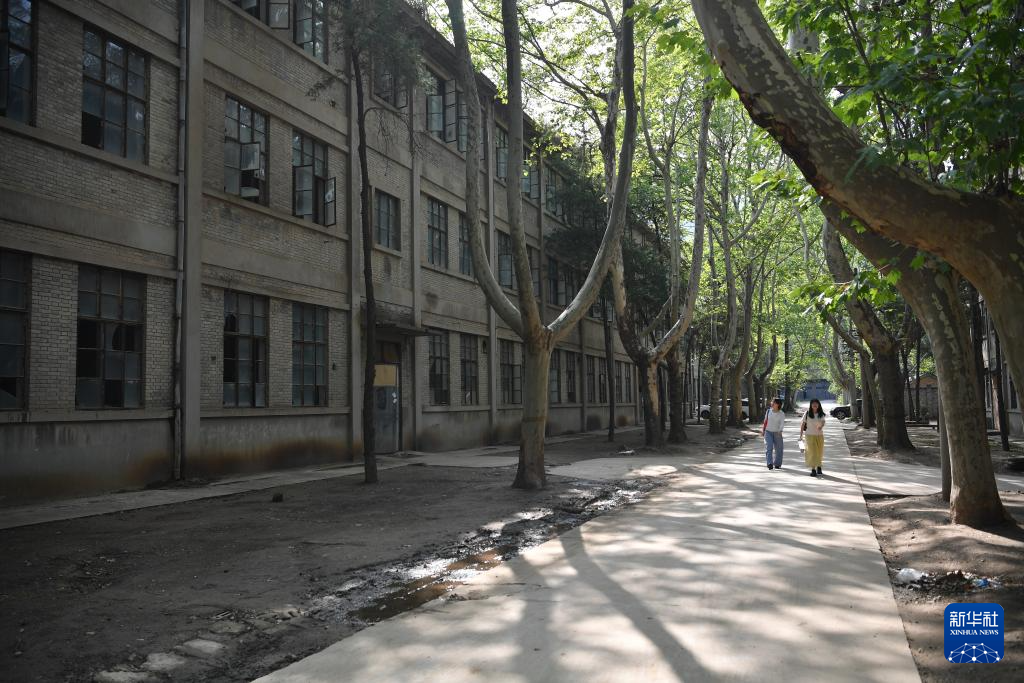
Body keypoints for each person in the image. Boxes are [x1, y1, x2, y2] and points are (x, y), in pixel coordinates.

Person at [801, 399, 827, 477]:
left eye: (816, 403)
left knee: (819, 452)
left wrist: (821, 426)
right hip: (809, 435)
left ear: (819, 405)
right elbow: (803, 424)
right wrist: (800, 435)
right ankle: (813, 469)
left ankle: (819, 466)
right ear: (811, 405)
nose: (815, 405)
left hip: (819, 435)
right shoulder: (807, 413)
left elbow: (823, 421)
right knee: (812, 452)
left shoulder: (821, 414)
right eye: (813, 403)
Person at [761, 398, 785, 470]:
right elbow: (765, 421)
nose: (772, 403)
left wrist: (780, 430)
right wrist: (763, 430)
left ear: (778, 404)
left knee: (779, 449)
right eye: (772, 402)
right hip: (768, 432)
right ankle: (769, 463)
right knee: (769, 447)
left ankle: (777, 464)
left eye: (774, 402)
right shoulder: (768, 411)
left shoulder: (781, 413)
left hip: (777, 433)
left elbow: (782, 423)